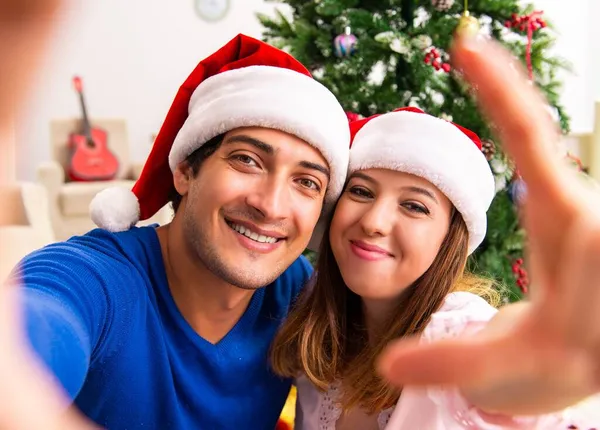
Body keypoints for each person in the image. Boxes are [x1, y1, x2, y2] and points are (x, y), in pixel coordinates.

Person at [3, 32, 351, 429]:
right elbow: (36, 325)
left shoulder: (295, 293)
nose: (271, 205)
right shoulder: (95, 280)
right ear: (184, 171)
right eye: (247, 160)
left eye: (306, 182)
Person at [270, 106, 597, 429]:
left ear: (450, 240)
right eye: (361, 191)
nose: (374, 222)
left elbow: (501, 374)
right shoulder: (315, 318)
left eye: (414, 206)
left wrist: (561, 363)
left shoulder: (455, 328)